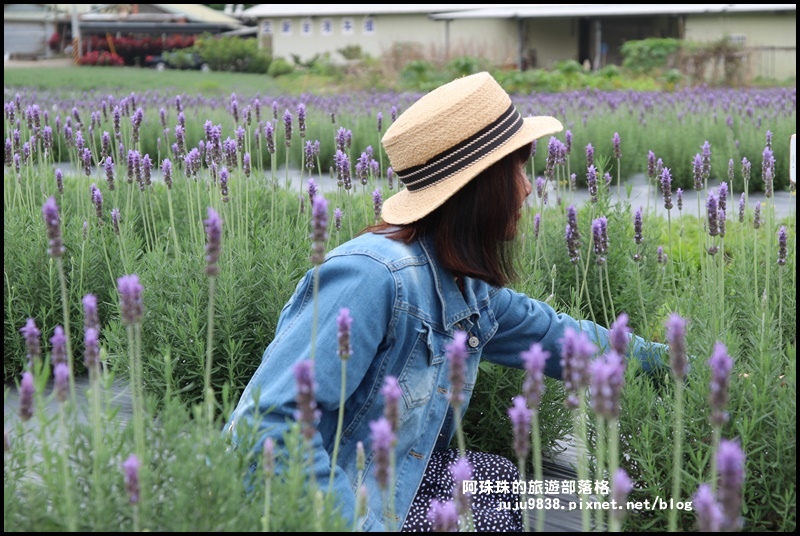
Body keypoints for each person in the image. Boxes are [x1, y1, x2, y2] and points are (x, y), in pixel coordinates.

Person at [224, 71, 667, 531]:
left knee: (498, 480)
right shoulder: (372, 277)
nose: (528, 187)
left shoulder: (460, 283)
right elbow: (271, 423)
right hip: (332, 498)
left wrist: (674, 362)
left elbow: (556, 335)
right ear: (479, 188)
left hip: (392, 473)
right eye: (516, 169)